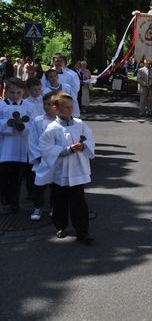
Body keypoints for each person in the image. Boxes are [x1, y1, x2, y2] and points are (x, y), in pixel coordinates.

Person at [36, 93, 95, 244]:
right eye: (66, 107)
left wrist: (83, 145)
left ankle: (82, 231)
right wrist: (68, 149)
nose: (70, 110)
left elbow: (89, 138)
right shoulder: (51, 128)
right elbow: (46, 148)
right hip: (60, 171)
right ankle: (61, 226)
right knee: (59, 201)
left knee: (79, 202)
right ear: (56, 108)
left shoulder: (79, 124)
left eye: (71, 107)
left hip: (76, 170)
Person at [0, 78, 36, 213]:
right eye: (12, 92)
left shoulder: (29, 107)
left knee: (17, 177)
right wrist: (8, 125)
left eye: (18, 92)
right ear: (6, 92)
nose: (15, 96)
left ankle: (14, 202)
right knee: (4, 176)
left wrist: (22, 127)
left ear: (24, 92)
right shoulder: (1, 106)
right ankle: (4, 199)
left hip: (21, 147)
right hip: (4, 147)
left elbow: (33, 125)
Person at [27, 91, 58, 220]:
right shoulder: (38, 121)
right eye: (45, 104)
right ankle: (37, 207)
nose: (47, 107)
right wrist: (38, 156)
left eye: (50, 104)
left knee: (55, 186)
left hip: (55, 158)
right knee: (39, 185)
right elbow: (32, 140)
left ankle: (53, 207)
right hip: (41, 159)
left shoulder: (60, 121)